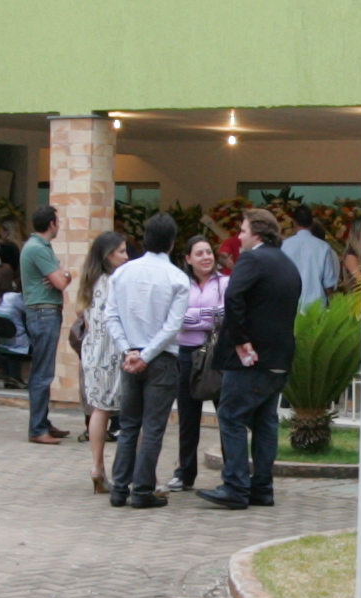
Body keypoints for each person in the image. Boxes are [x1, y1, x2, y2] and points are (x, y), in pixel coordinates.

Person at [196, 208, 297, 511]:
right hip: (279, 357)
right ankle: (262, 488)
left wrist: (241, 341)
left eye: (242, 231)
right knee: (266, 421)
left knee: (231, 415)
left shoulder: (252, 259)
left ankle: (236, 486)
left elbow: (233, 297)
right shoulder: (287, 263)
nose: (238, 238)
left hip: (251, 358)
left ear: (257, 233)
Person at [104, 213, 193, 509]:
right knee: (153, 427)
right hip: (161, 359)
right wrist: (146, 354)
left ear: (143, 240)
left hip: (130, 357)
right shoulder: (178, 278)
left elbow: (111, 315)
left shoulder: (122, 273)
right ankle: (141, 490)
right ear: (171, 243)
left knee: (129, 424)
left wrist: (128, 350)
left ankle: (119, 487)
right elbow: (172, 326)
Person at [73, 227, 131, 492]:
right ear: (108, 255)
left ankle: (97, 466)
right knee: (126, 410)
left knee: (99, 409)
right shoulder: (113, 283)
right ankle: (128, 471)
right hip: (112, 351)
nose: (126, 256)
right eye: (121, 251)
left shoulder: (89, 283)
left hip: (91, 352)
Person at [172, 234, 227, 489]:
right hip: (187, 354)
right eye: (199, 253)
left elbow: (226, 314)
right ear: (187, 258)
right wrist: (210, 315)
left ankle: (232, 473)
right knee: (187, 417)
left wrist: (194, 315)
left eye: (208, 252)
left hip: (217, 355)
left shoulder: (226, 282)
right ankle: (184, 474)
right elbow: (175, 317)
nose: (205, 257)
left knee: (226, 415)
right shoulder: (180, 284)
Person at [19, 203, 71, 443]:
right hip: (43, 313)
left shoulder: (40, 247)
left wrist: (64, 274)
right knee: (42, 372)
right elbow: (60, 281)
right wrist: (63, 275)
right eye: (57, 221)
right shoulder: (37, 248)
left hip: (44, 313)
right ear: (51, 224)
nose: (59, 225)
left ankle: (43, 422)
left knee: (43, 370)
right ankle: (38, 428)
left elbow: (62, 276)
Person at [280, 204, 340, 309]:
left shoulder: (284, 245)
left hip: (289, 305)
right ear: (312, 223)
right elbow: (328, 283)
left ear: (294, 222)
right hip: (316, 306)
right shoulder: (323, 247)